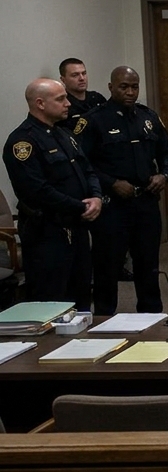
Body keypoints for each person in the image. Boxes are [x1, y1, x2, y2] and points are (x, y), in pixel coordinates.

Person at [77, 67, 168, 315]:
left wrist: (163, 175)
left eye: (135, 87)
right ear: (111, 87)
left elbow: (167, 152)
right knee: (107, 267)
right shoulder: (93, 120)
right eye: (124, 87)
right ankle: (104, 318)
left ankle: (151, 316)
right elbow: (82, 164)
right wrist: (111, 183)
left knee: (148, 264)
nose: (130, 92)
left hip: (146, 201)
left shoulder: (148, 117)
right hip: (112, 206)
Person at [2, 79, 103, 307]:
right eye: (60, 99)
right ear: (40, 103)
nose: (68, 103)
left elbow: (88, 169)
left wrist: (96, 196)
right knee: (53, 299)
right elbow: (38, 191)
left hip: (77, 227)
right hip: (47, 233)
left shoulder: (64, 135)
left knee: (81, 295)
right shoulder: (22, 142)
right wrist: (82, 206)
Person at [57, 58, 107, 132]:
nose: (82, 78)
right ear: (63, 79)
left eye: (84, 73)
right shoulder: (62, 104)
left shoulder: (97, 98)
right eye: (75, 75)